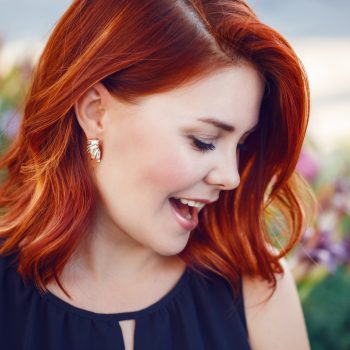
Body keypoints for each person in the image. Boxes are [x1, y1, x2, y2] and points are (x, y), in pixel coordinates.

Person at [0, 0, 315, 349]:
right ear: (95, 112)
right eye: (203, 141)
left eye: (240, 145)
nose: (231, 177)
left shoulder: (257, 286)